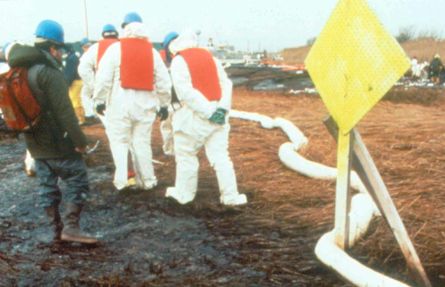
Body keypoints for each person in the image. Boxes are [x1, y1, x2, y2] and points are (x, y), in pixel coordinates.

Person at [6, 20, 97, 244]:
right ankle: (72, 227)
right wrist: (80, 141)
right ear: (53, 48)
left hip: (34, 144)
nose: (61, 55)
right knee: (78, 180)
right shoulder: (49, 73)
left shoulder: (19, 70)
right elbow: (65, 113)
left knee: (47, 186)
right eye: (60, 50)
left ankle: (55, 230)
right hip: (58, 143)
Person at [165, 31, 247, 206]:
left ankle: (184, 195)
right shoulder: (211, 58)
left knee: (186, 156)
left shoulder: (179, 61)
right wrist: (221, 110)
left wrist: (209, 112)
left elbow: (185, 93)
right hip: (218, 117)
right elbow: (227, 84)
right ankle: (231, 197)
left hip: (192, 118)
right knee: (221, 157)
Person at [93, 14, 171, 191]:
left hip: (119, 105)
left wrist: (99, 99)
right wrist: (164, 104)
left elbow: (103, 78)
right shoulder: (152, 53)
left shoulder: (115, 49)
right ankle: (148, 181)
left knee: (120, 143)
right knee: (142, 143)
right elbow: (164, 82)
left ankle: (122, 182)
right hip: (145, 106)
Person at [78, 24, 119, 123]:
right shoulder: (124, 45)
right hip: (122, 86)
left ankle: (90, 114)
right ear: (116, 34)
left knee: (85, 94)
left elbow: (82, 68)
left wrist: (94, 86)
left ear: (103, 34)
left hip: (103, 83)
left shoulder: (96, 47)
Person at [64, 43, 85, 125]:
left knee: (74, 100)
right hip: (78, 81)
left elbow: (70, 73)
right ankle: (81, 118)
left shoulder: (70, 59)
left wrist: (67, 83)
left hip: (74, 82)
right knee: (78, 100)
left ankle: (80, 119)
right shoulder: (74, 57)